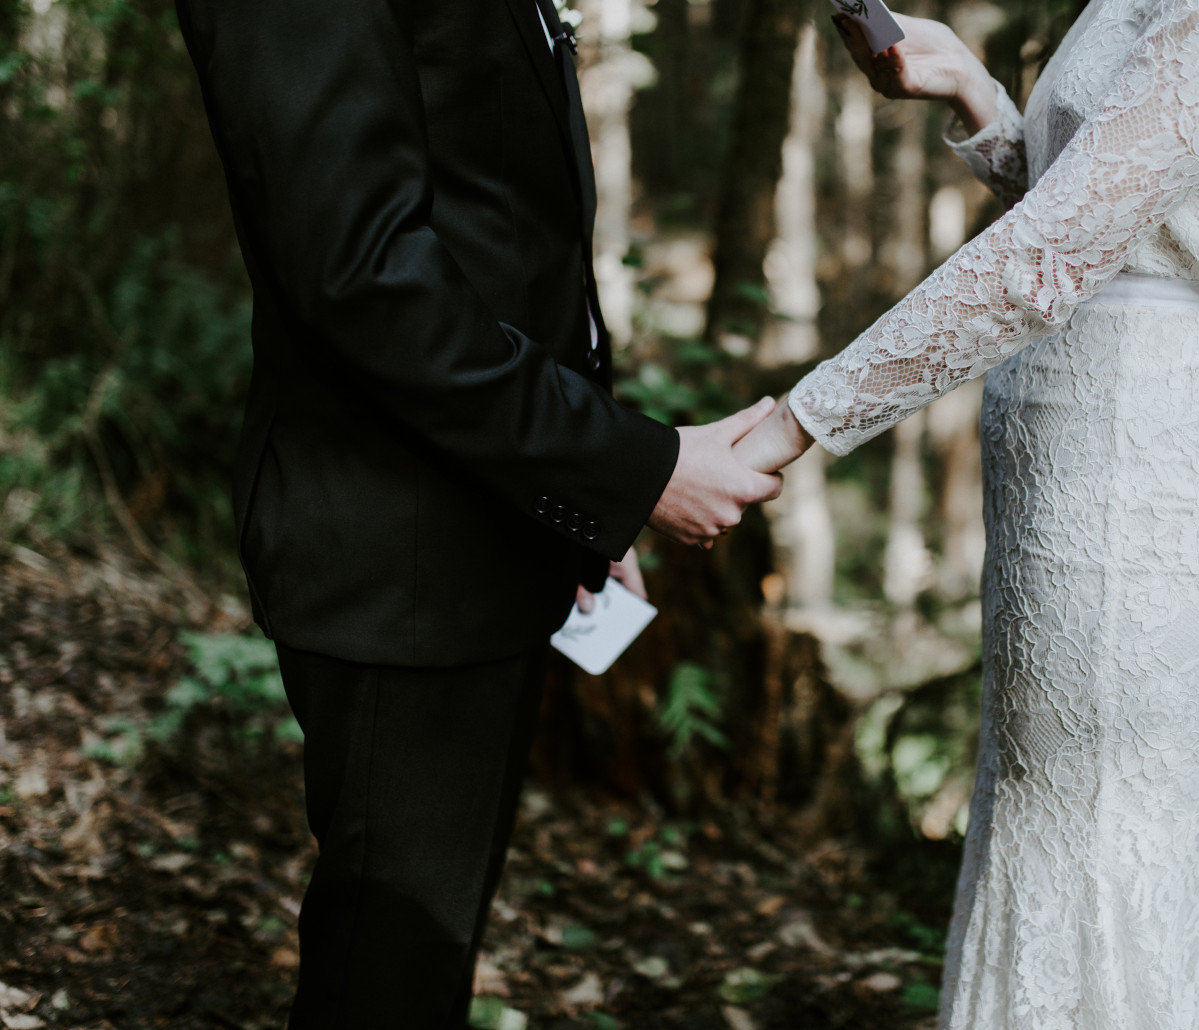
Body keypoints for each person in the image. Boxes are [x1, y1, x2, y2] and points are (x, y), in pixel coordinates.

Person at [736, 0, 1199, 1025]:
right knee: (1052, 825)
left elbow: (1055, 253)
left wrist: (799, 421)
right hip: (1086, 446)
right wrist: (976, 94)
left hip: (1138, 457)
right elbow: (1110, 209)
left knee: (1092, 835)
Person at [172, 0, 781, 1025]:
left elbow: (500, 235)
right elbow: (360, 279)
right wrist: (625, 467)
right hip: (394, 542)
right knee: (390, 972)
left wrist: (577, 502)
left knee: (423, 963)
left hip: (479, 518)